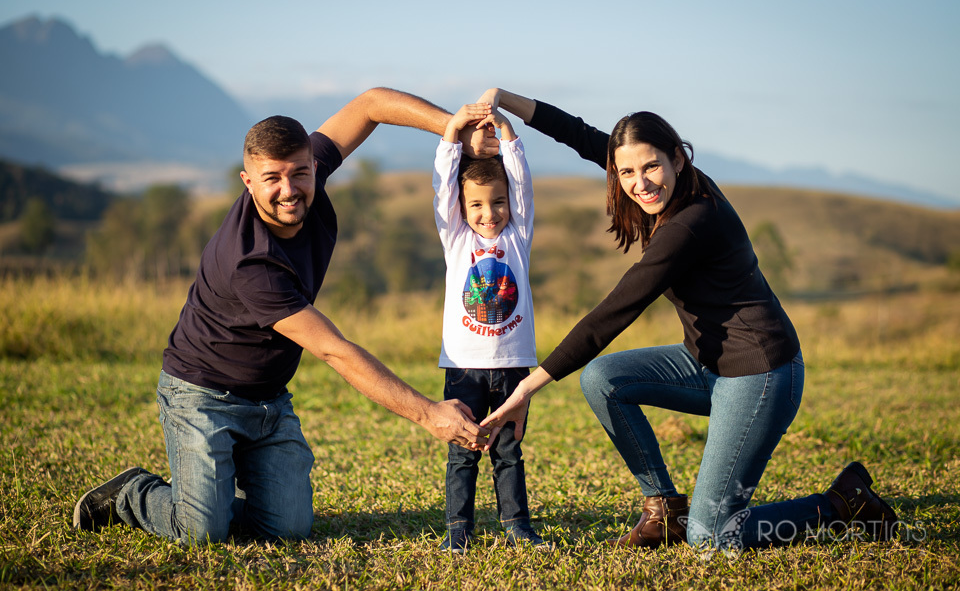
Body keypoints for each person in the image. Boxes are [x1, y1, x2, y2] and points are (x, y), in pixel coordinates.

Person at [72, 88, 501, 544]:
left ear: (313, 164)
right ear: (248, 181)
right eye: (271, 178)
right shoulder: (250, 261)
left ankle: (222, 484)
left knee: (288, 529)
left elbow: (371, 104)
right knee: (200, 532)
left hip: (268, 400)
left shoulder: (305, 166)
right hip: (201, 396)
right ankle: (132, 493)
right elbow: (334, 351)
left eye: (299, 173)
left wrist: (454, 131)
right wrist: (429, 414)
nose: (289, 189)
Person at [478, 89, 899, 553]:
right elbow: (577, 133)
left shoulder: (691, 222)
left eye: (651, 167)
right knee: (602, 379)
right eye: (626, 171)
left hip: (759, 375)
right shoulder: (663, 182)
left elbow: (615, 311)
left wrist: (526, 388)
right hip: (704, 363)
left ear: (677, 158)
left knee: (711, 537)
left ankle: (842, 503)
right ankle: (664, 509)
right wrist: (504, 99)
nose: (640, 183)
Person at [431, 101, 548, 553]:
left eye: (498, 202)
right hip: (463, 367)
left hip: (514, 366)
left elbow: (523, 184)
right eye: (476, 204)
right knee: (462, 454)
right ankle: (458, 531)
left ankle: (517, 526)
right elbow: (443, 188)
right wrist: (452, 131)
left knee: (508, 451)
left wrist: (508, 133)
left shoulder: (519, 236)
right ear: (462, 208)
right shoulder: (456, 239)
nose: (489, 213)